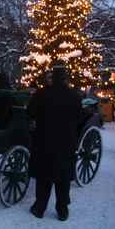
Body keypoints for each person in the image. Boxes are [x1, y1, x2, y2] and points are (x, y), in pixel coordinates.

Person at [28, 65, 82, 221]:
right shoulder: (75, 96)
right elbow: (79, 117)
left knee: (44, 177)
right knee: (63, 179)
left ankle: (39, 208)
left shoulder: (41, 93)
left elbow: (30, 112)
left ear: (53, 77)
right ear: (65, 78)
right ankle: (62, 210)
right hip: (66, 142)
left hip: (44, 141)